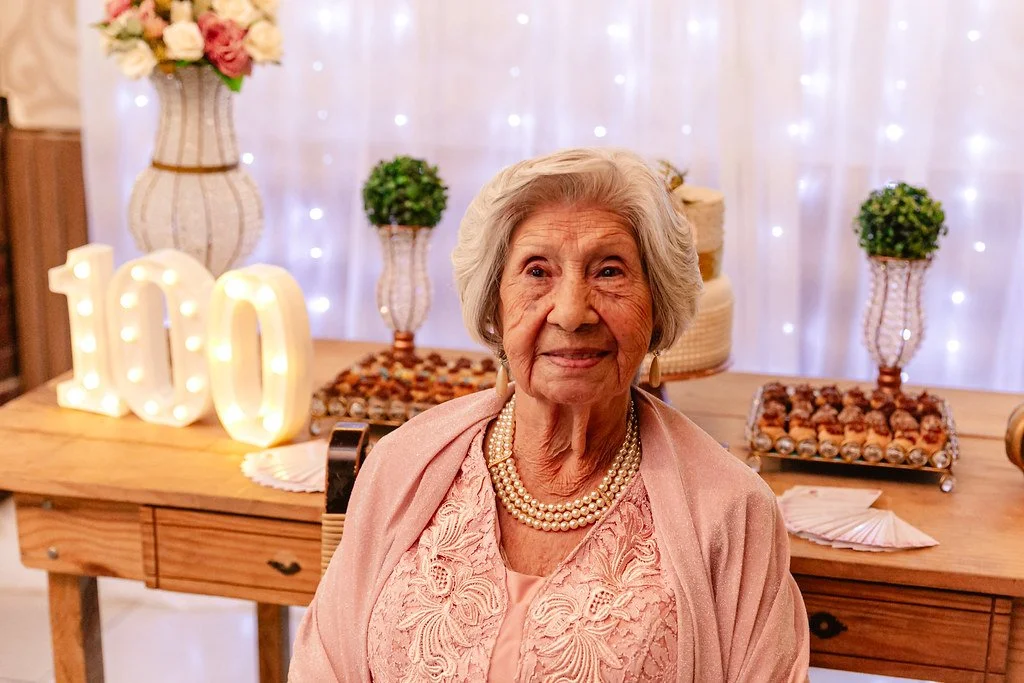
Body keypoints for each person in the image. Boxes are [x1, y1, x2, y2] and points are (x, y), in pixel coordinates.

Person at [290, 147, 810, 682]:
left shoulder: (731, 512)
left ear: (656, 308)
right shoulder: (401, 467)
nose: (571, 312)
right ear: (494, 306)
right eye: (537, 271)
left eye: (609, 271)